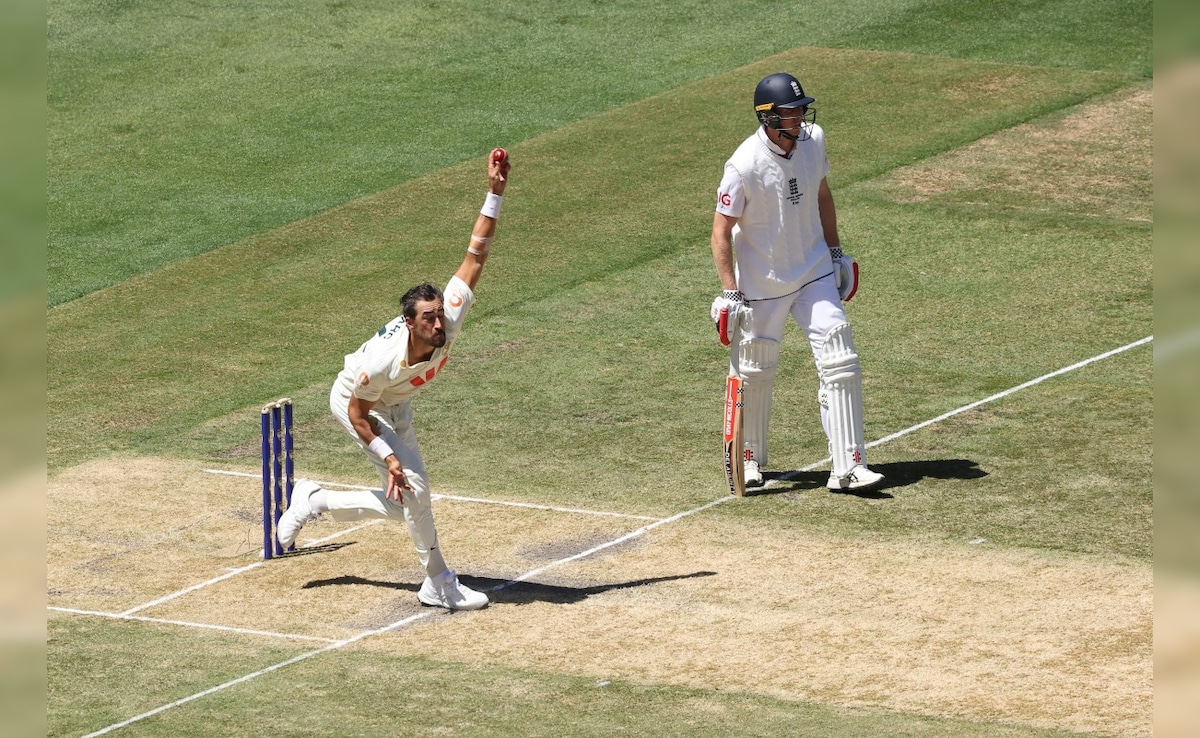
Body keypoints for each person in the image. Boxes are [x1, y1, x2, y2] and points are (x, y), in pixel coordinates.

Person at [276, 151, 512, 610]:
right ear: (408, 323)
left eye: (439, 315)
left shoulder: (449, 318)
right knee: (414, 492)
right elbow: (355, 412)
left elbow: (475, 254)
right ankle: (439, 580)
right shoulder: (382, 360)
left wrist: (495, 192)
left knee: (411, 499)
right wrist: (387, 459)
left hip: (395, 403)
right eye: (428, 318)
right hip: (357, 401)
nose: (438, 324)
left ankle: (315, 500)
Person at [709, 73, 884, 492]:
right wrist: (731, 291)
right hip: (762, 283)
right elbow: (720, 232)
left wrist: (837, 252)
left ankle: (849, 466)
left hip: (813, 271)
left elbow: (821, 194)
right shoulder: (743, 163)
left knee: (840, 353)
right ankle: (747, 460)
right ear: (769, 117)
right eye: (791, 111)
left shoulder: (813, 139)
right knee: (754, 370)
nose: (801, 117)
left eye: (802, 108)